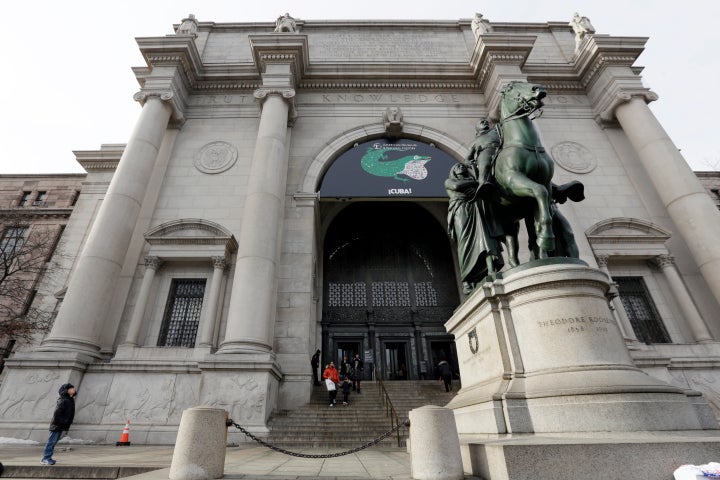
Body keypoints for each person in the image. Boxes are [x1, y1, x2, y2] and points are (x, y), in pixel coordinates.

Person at [445, 161, 504, 294]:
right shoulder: (449, 181)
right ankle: (466, 280)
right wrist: (475, 181)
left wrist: (476, 174)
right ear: (453, 171)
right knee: (465, 244)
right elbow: (456, 185)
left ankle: (490, 269)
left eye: (462, 166)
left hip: (476, 210)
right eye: (456, 166)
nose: (460, 167)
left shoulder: (473, 180)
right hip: (461, 212)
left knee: (485, 238)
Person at [41, 383, 76, 465]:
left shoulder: (70, 400)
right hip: (57, 425)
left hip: (61, 425)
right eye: (71, 388)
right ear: (66, 390)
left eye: (73, 388)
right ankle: (45, 458)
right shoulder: (63, 400)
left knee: (53, 442)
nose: (73, 389)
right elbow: (57, 414)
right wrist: (63, 421)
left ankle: (48, 457)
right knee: (51, 442)